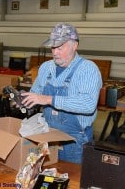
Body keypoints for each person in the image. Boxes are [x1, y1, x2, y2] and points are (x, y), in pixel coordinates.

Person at [21, 23, 102, 164]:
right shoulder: (46, 68)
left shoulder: (88, 69)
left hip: (74, 140)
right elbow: (36, 94)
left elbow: (88, 104)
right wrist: (25, 101)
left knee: (74, 181)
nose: (55, 52)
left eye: (60, 47)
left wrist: (47, 99)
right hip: (48, 135)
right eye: (53, 47)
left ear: (74, 45)